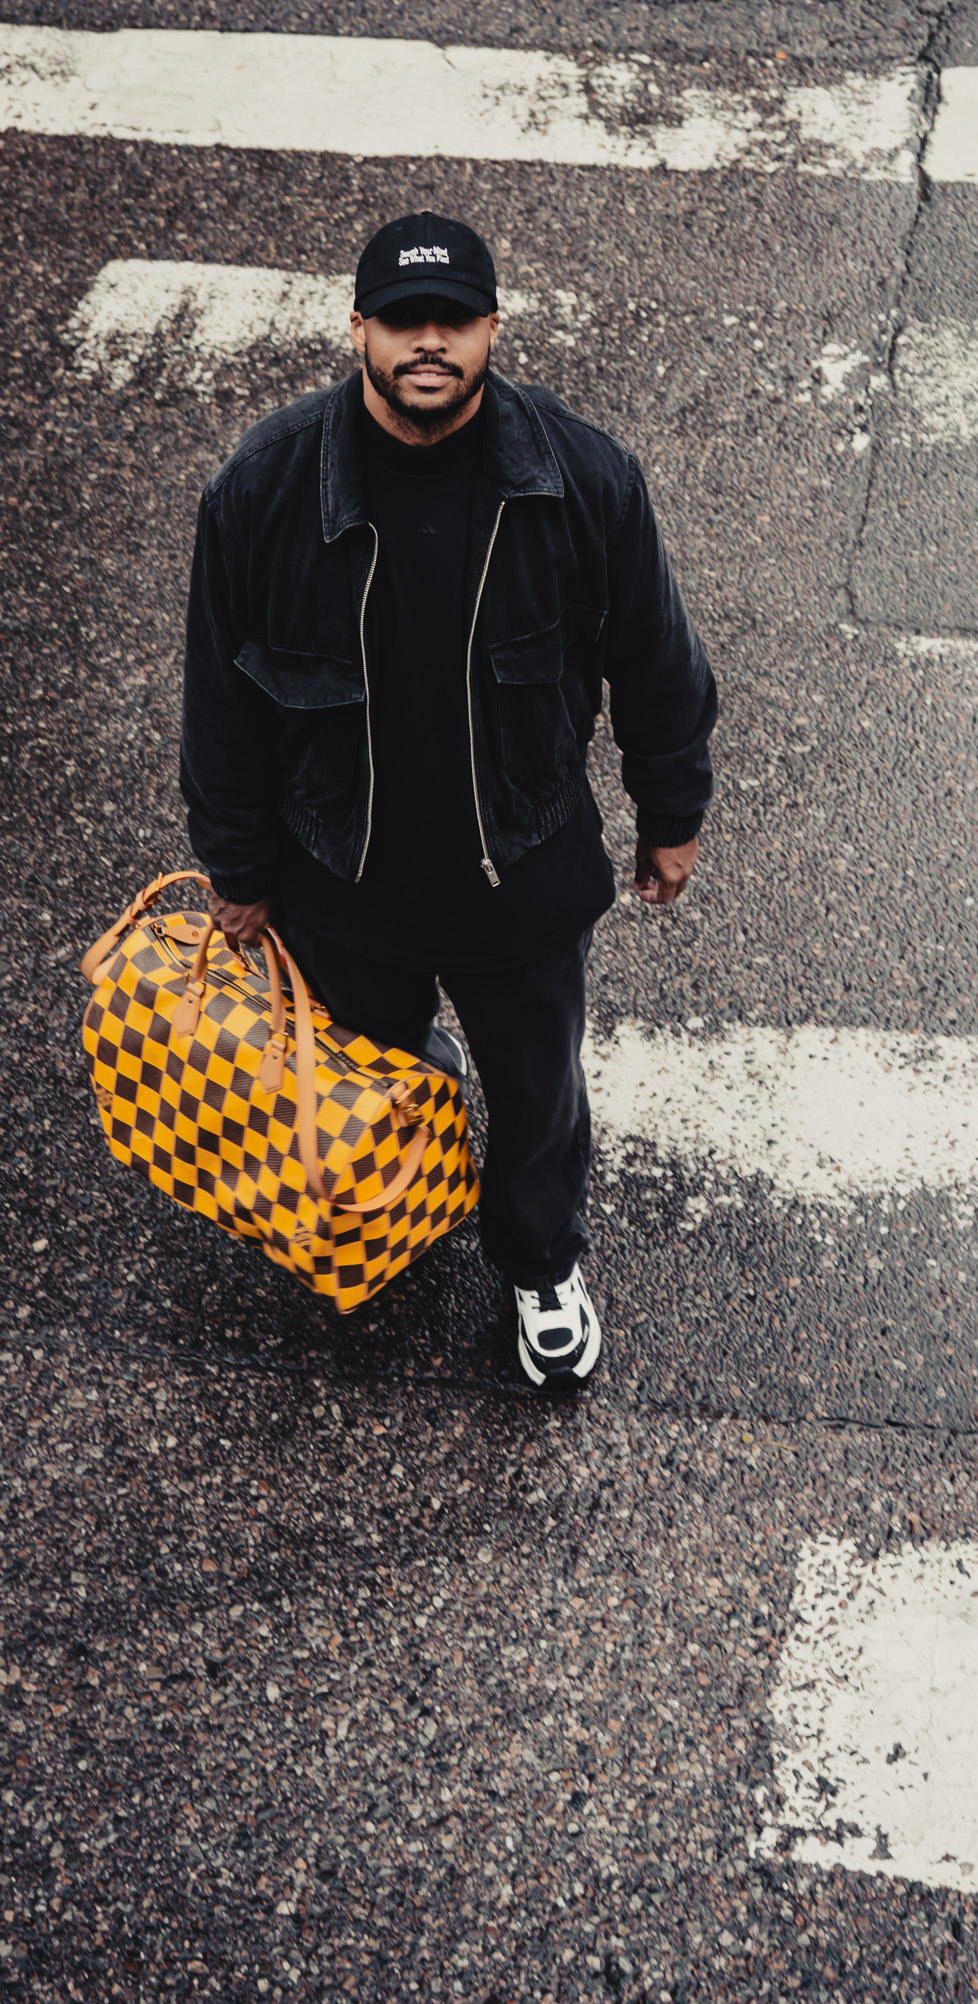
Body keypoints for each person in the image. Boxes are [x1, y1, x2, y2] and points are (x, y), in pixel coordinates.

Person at [180, 212, 717, 1389]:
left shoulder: (584, 477)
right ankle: (400, 1207)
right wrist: (238, 868)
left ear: (491, 330)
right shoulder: (264, 490)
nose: (431, 344)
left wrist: (669, 814)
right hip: (341, 883)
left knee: (538, 1096)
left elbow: (658, 659)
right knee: (372, 1080)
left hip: (518, 875)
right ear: (357, 327)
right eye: (405, 320)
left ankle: (539, 1268)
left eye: (455, 321)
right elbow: (220, 700)